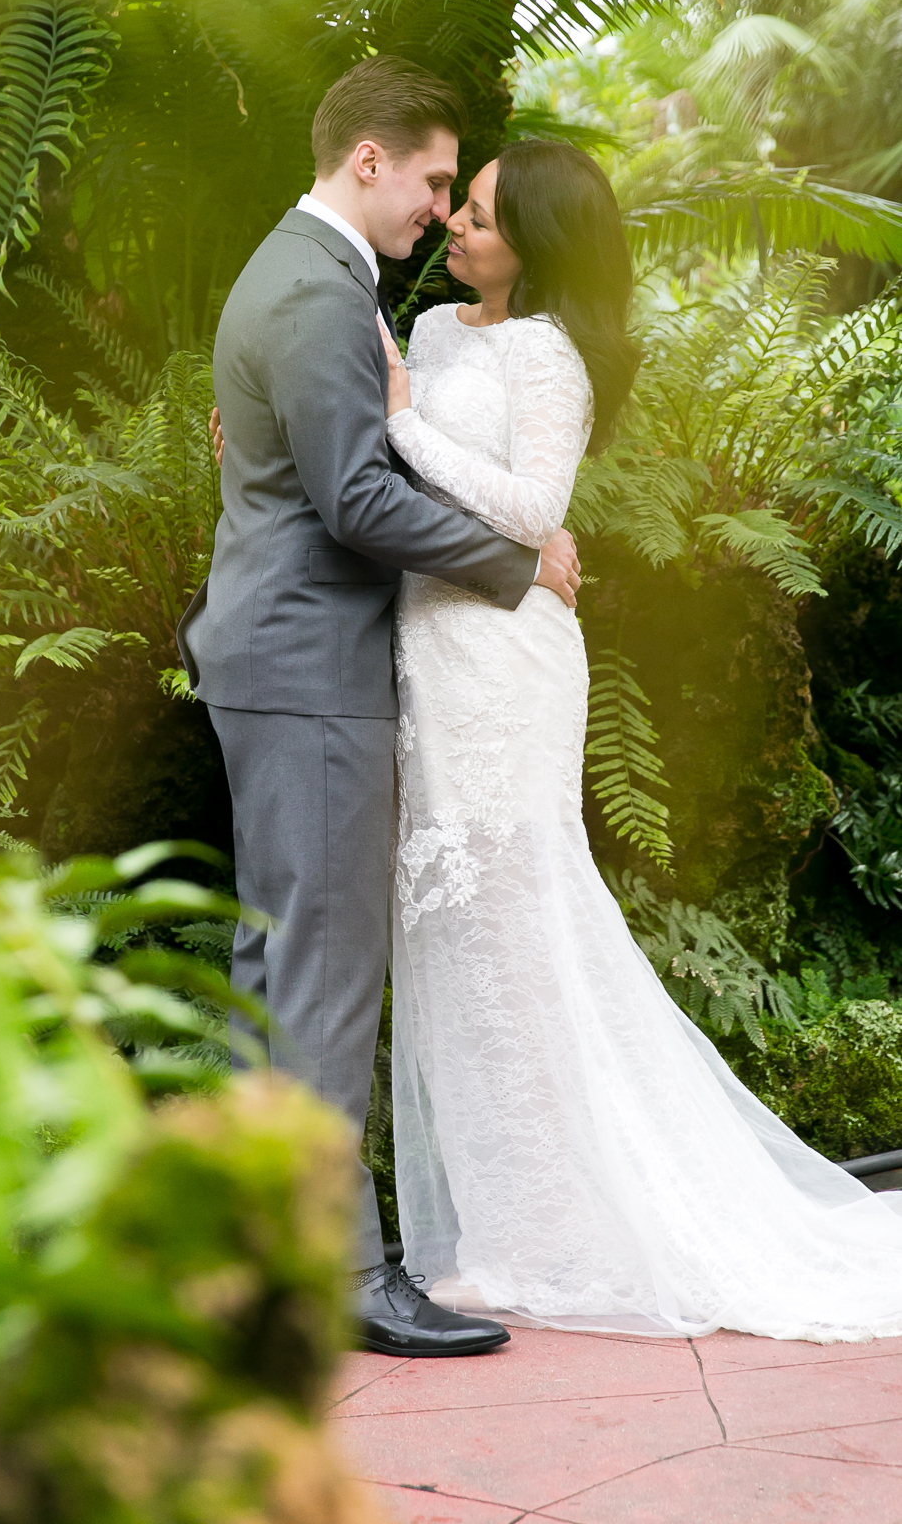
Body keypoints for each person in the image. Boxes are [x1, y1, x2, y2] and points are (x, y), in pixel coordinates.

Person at [376, 136, 902, 1341]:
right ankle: (508, 1224)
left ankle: (570, 1228)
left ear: (542, 247)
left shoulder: (550, 356)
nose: (456, 224)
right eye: (462, 204)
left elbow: (530, 510)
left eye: (485, 217)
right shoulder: (446, 333)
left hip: (507, 664)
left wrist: (405, 423)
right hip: (431, 658)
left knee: (516, 923)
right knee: (454, 935)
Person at [176, 58, 582, 1357]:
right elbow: (354, 498)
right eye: (429, 181)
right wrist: (519, 564)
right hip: (309, 670)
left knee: (273, 970)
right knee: (325, 977)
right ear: (366, 159)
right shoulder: (310, 290)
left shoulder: (300, 278)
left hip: (276, 659)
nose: (437, 208)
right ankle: (344, 1272)